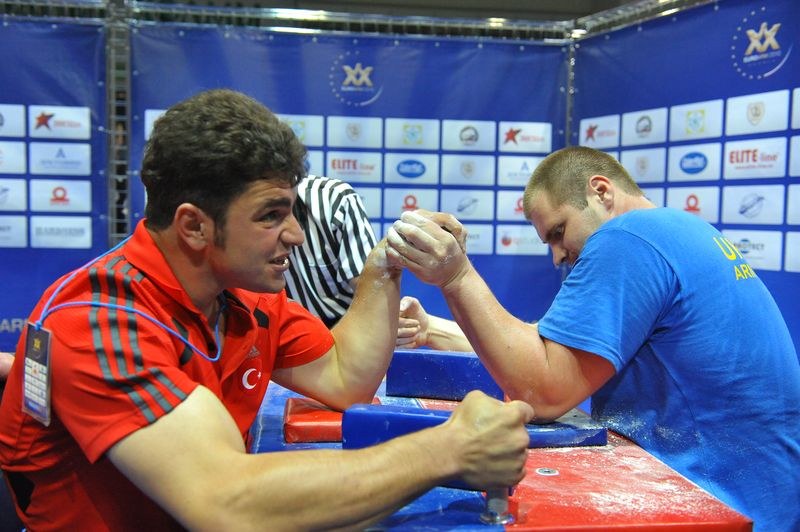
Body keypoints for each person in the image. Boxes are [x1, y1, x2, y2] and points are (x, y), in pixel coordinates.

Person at [0, 89, 534, 531]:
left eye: (293, 211)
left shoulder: (245, 297)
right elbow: (224, 503)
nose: (296, 235)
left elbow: (346, 376)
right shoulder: (95, 324)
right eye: (271, 215)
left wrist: (384, 266)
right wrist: (448, 450)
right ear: (193, 226)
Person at [385, 145, 800, 531]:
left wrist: (456, 277)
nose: (557, 256)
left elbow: (543, 389)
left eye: (558, 231)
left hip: (726, 505)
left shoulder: (628, 238)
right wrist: (433, 329)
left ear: (600, 192)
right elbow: (550, 350)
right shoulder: (675, 231)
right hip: (763, 501)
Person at [285, 174, 377, 327]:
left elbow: (369, 285)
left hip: (342, 327)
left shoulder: (335, 198)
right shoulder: (237, 205)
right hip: (272, 330)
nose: (296, 237)